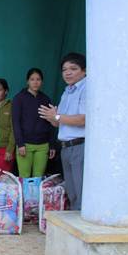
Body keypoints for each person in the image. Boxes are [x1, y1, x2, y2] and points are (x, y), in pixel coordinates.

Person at [39, 53, 86, 210]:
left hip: (80, 146)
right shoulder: (67, 92)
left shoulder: (86, 88)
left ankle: (81, 222)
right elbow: (60, 122)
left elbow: (83, 119)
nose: (68, 73)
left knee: (81, 191)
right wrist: (51, 118)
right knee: (71, 192)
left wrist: (57, 116)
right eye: (65, 69)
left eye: (73, 68)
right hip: (65, 147)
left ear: (84, 70)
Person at [12, 68, 56, 178]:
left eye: (38, 79)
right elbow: (16, 123)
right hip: (25, 145)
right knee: (24, 177)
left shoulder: (46, 99)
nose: (35, 82)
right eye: (32, 79)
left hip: (43, 145)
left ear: (42, 81)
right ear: (27, 81)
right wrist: (20, 144)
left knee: (38, 177)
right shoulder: (19, 98)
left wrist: (52, 145)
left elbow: (52, 122)